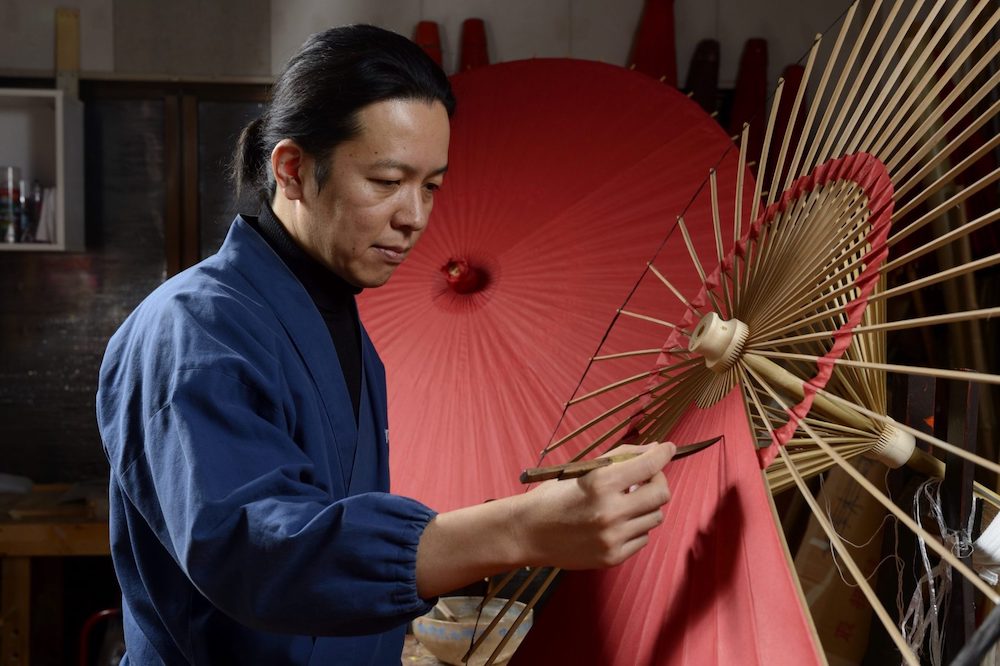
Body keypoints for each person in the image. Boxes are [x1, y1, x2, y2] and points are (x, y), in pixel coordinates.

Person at [96, 24, 677, 665]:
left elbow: (334, 548)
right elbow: (257, 552)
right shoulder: (192, 330)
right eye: (386, 180)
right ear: (291, 169)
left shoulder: (338, 319)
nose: (415, 217)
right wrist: (521, 527)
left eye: (430, 186)